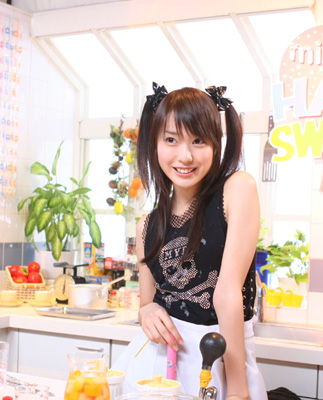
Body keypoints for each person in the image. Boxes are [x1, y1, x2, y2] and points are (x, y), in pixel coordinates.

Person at [112, 83, 267, 400]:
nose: (185, 156)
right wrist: (146, 312)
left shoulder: (237, 190)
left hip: (220, 359)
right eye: (171, 139)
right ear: (155, 143)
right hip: (154, 365)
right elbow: (147, 303)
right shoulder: (146, 226)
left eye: (198, 141)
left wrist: (237, 391)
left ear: (216, 144)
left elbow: (227, 293)